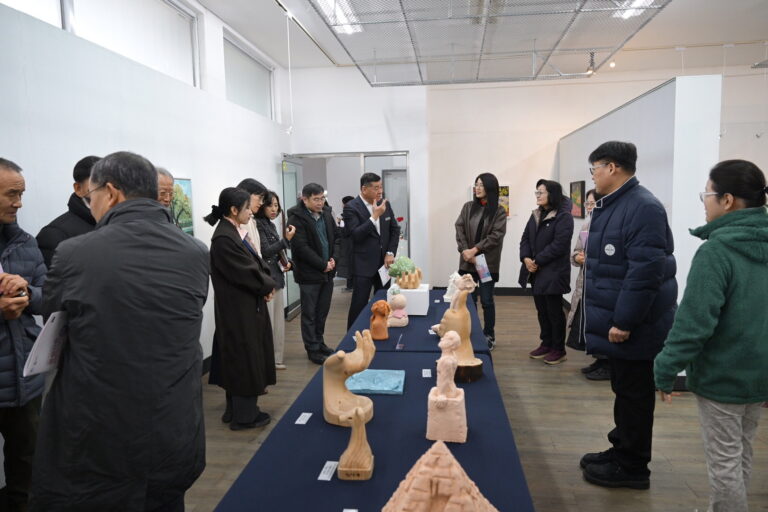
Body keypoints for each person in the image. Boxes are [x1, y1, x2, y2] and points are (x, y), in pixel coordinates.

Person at [31, 151, 209, 511]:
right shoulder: (194, 251)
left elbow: (55, 309)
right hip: (174, 422)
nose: (92, 205)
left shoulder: (75, 252)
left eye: (92, 196)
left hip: (101, 432)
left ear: (110, 193)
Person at [654, 160, 768, 511]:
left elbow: (694, 324)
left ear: (728, 200)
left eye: (707, 194)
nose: (704, 202)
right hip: (758, 375)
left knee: (724, 464)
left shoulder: (716, 252)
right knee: (740, 453)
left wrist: (665, 367)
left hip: (723, 376)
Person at [579, 141, 677, 490]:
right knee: (624, 389)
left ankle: (633, 466)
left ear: (612, 168)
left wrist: (624, 321)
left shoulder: (642, 207)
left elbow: (645, 273)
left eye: (594, 169)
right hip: (621, 320)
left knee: (635, 395)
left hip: (637, 325)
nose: (592, 176)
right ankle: (621, 449)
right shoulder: (616, 204)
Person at [206, 187, 276, 431]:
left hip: (244, 306)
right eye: (248, 208)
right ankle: (244, 416)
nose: (251, 212)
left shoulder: (232, 232)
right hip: (239, 310)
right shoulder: (224, 238)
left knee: (241, 357)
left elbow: (253, 264)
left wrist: (265, 285)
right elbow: (246, 272)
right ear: (234, 210)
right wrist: (267, 285)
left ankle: (236, 410)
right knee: (244, 359)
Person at [0, 158, 46, 512]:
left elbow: (51, 294)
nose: (19, 203)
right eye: (12, 194)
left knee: (27, 466)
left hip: (22, 380)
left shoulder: (26, 242)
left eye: (22, 194)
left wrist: (27, 293)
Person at [519, 179, 574, 365]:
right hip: (535, 271)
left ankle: (558, 349)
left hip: (554, 272)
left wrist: (537, 260)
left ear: (552, 194)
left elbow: (559, 245)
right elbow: (525, 239)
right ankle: (546, 343)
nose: (537, 195)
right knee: (542, 311)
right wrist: (526, 259)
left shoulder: (564, 216)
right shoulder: (536, 214)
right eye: (537, 192)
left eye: (541, 192)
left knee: (554, 312)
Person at [287, 183, 340, 364]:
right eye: (316, 199)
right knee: (309, 314)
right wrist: (322, 264)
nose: (320, 202)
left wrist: (333, 259)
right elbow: (300, 248)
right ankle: (312, 349)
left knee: (322, 311)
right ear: (305, 199)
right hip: (309, 274)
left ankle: (319, 342)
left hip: (328, 272)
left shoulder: (326, 213)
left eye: (322, 198)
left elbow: (337, 238)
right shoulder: (295, 218)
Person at [454, 172, 507, 350]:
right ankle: (469, 332)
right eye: (476, 184)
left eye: (481, 185)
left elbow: (496, 236)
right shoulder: (468, 207)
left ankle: (489, 334)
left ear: (490, 188)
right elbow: (459, 228)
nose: (477, 188)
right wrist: (465, 250)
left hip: (485, 263)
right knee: (468, 300)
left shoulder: (499, 211)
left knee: (486, 300)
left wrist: (475, 250)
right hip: (467, 261)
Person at [343, 173, 401, 329]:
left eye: (381, 187)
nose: (380, 191)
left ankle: (380, 330)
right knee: (359, 304)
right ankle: (354, 336)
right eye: (376, 188)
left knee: (383, 302)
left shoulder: (384, 204)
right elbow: (355, 235)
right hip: (363, 265)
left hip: (384, 265)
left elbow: (394, 230)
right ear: (364, 189)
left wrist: (390, 252)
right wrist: (374, 216)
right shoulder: (351, 207)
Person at [565, 189, 610, 381]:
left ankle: (607, 364)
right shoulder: (586, 225)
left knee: (601, 322)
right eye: (588, 204)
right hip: (585, 281)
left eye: (593, 204)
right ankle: (599, 360)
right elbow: (576, 252)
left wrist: (591, 258)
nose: (590, 208)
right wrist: (578, 257)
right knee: (589, 323)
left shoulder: (610, 226)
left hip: (602, 283)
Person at [36, 155, 100, 268]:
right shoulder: (54, 234)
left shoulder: (120, 223)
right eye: (98, 183)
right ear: (78, 189)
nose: (107, 190)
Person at [255, 190, 295, 370]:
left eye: (276, 205)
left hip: (276, 277)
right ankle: (269, 360)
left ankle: (276, 358)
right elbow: (265, 252)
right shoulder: (258, 224)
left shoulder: (270, 225)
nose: (273, 209)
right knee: (269, 323)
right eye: (270, 205)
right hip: (267, 279)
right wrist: (286, 239)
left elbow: (276, 252)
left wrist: (287, 262)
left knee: (278, 323)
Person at [237, 178, 268, 257]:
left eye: (263, 199)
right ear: (246, 195)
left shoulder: (250, 218)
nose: (261, 203)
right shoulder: (243, 220)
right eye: (260, 198)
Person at [336, 195, 355, 291]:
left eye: (343, 204)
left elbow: (344, 232)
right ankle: (350, 285)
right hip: (350, 244)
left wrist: (339, 223)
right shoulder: (356, 213)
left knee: (349, 265)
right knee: (350, 265)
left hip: (348, 244)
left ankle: (351, 286)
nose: (342, 206)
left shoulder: (347, 216)